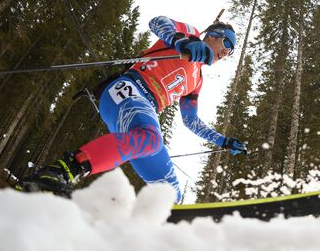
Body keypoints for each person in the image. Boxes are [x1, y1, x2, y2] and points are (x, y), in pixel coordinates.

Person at [22, 14, 248, 203]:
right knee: (151, 137)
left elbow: (191, 121)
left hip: (145, 111)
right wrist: (181, 41)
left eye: (232, 52)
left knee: (171, 194)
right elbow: (157, 22)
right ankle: (59, 172)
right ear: (213, 35)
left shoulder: (197, 80)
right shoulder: (190, 34)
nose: (227, 53)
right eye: (227, 44)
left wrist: (224, 141)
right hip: (129, 88)